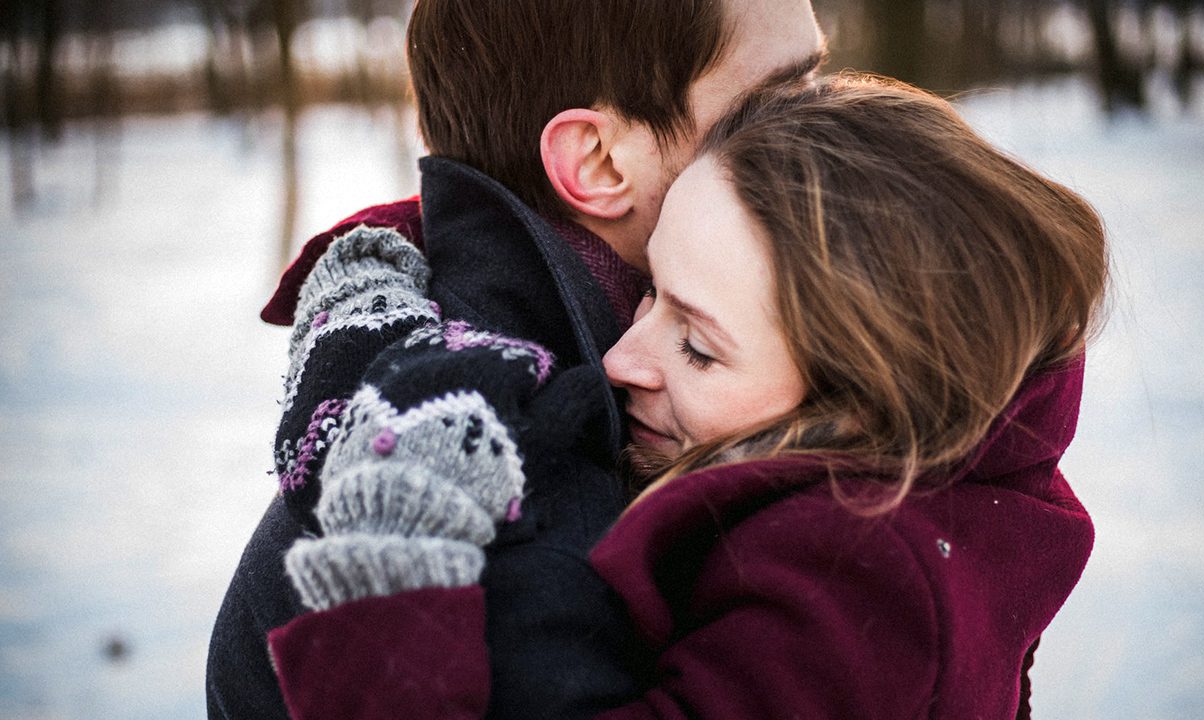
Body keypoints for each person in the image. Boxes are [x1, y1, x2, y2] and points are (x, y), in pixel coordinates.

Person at [264, 74, 1109, 718]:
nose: (624, 358)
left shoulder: (856, 584)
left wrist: (392, 612)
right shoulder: (904, 499)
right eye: (649, 288)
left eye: (699, 348)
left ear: (864, 403)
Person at [206, 1, 826, 718]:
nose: (834, 129)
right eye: (783, 98)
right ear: (596, 161)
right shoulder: (521, 517)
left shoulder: (623, 391)